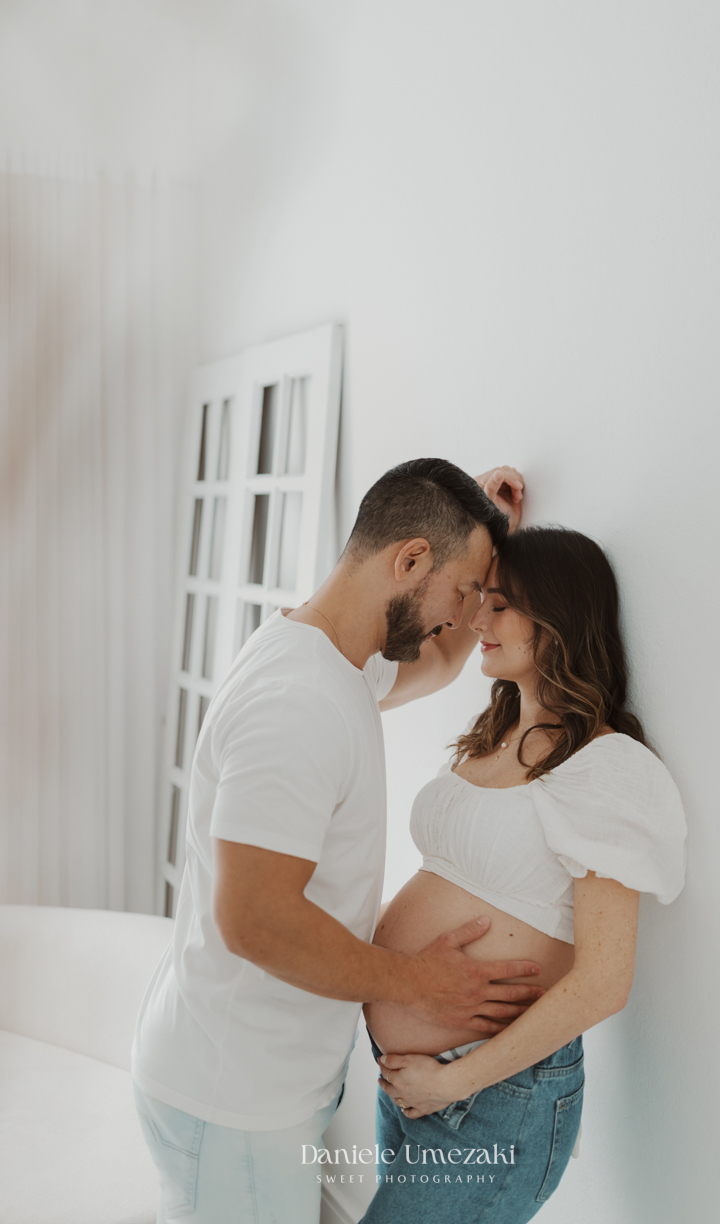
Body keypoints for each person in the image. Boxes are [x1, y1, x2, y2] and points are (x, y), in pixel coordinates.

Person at [131, 458, 543, 1224]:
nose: (464, 616)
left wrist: (489, 530)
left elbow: (447, 658)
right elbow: (254, 920)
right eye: (461, 591)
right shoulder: (297, 702)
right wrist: (421, 984)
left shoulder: (335, 662)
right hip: (235, 1097)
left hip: (252, 1083)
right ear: (410, 559)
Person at [359, 523, 688, 1224]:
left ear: (558, 617)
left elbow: (604, 982)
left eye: (501, 603)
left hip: (489, 1095)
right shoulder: (495, 733)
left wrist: (454, 1084)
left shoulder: (604, 768)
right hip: (416, 1077)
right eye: (483, 597)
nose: (478, 618)